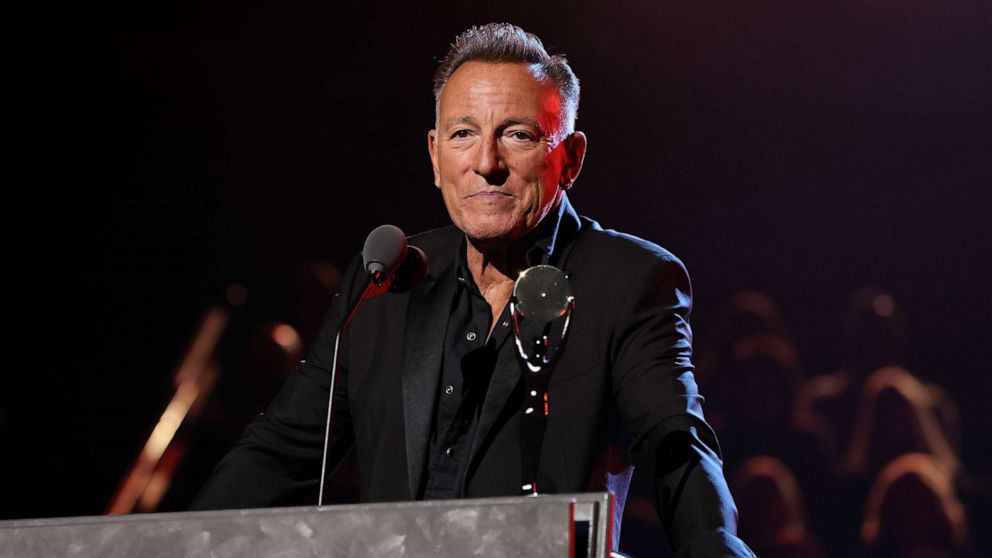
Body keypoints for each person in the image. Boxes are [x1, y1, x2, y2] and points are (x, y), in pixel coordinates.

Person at [193, 23, 753, 557]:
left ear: (572, 157)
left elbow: (677, 445)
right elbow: (280, 450)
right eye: (464, 134)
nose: (486, 164)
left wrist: (714, 547)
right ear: (435, 157)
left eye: (517, 134)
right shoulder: (388, 278)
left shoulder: (629, 280)